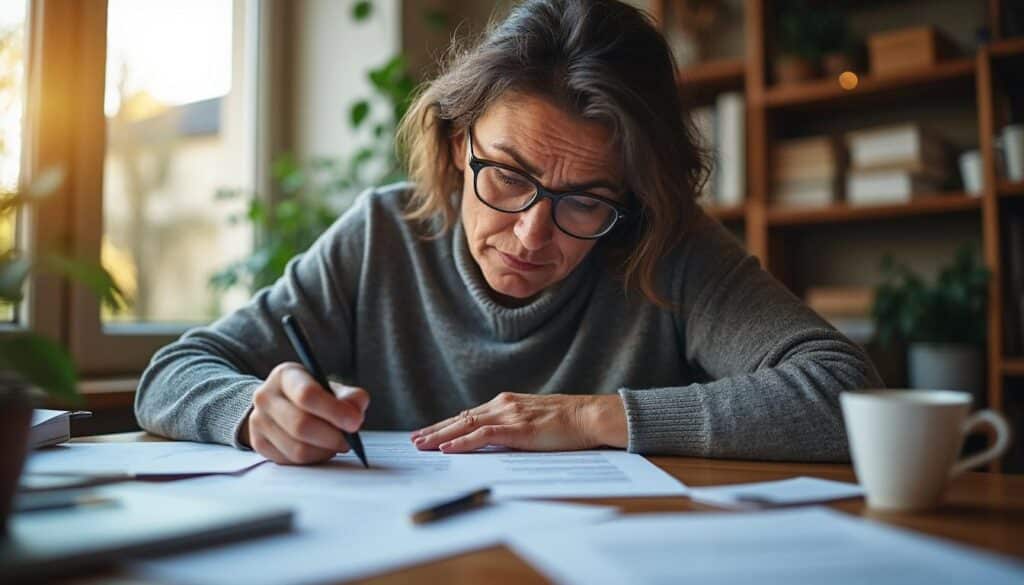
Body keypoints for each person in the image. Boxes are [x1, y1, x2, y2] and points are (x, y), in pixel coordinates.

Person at [135, 0, 882, 466]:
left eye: (587, 200)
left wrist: (596, 416)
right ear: (459, 143)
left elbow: (844, 392)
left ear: (633, 197)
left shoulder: (668, 250)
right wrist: (252, 410)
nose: (531, 234)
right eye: (509, 176)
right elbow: (173, 372)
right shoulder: (380, 238)